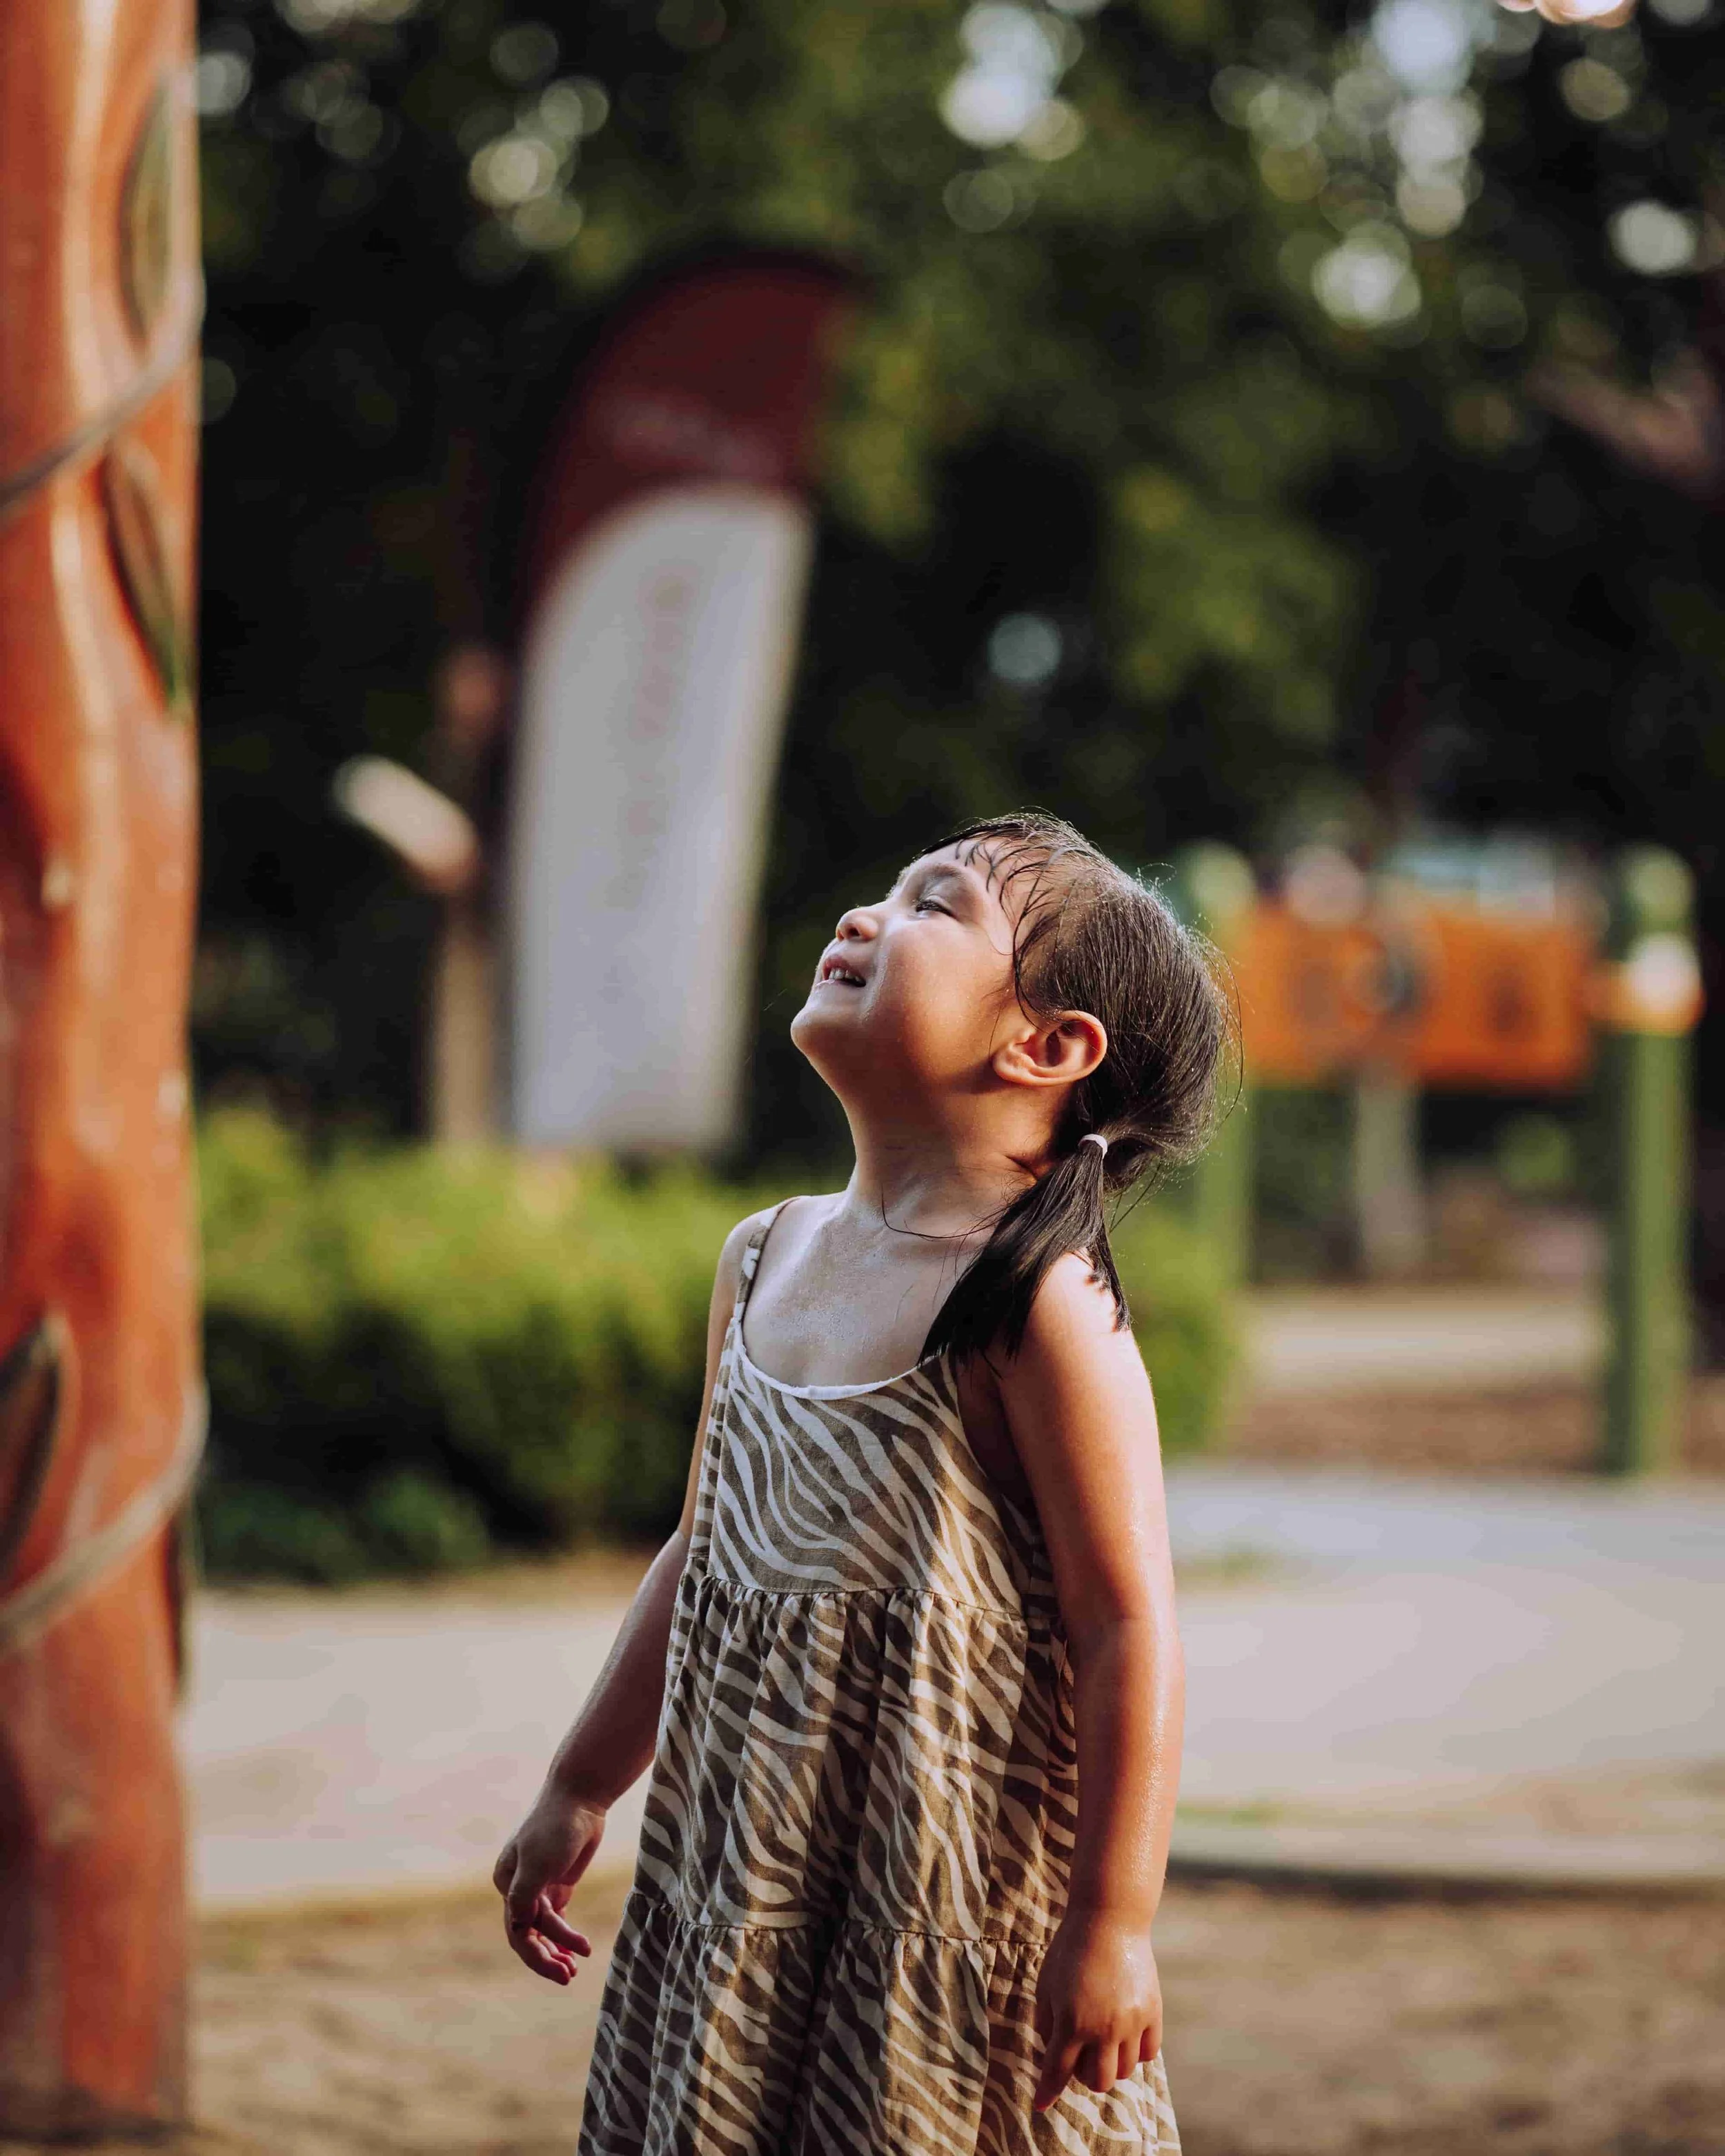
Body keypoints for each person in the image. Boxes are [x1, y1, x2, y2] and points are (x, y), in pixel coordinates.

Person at [493, 809, 1232, 2153]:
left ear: (1048, 1045)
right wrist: (581, 1781)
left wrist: (1109, 1922)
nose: (863, 916)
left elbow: (1126, 1624)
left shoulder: (1034, 1301)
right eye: (884, 891)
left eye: (933, 905)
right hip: (738, 1877)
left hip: (932, 1903)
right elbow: (701, 1548)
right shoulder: (761, 1255)